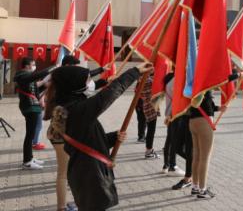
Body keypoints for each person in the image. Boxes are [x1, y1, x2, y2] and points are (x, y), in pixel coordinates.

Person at [46, 62, 153, 210]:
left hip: (87, 172)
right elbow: (107, 96)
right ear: (74, 85)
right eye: (87, 80)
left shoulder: (71, 106)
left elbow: (87, 138)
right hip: (90, 176)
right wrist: (134, 72)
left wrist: (112, 138)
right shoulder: (76, 110)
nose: (90, 84)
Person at [188, 70, 239, 199]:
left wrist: (218, 108)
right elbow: (222, 79)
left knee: (197, 156)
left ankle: (195, 186)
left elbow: (205, 103)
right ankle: (202, 190)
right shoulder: (204, 77)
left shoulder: (193, 79)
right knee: (205, 157)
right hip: (203, 122)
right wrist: (238, 75)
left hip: (193, 120)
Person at [14, 57, 55, 170]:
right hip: (29, 107)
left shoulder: (27, 76)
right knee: (29, 135)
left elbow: (35, 86)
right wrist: (53, 68)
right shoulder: (22, 75)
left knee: (31, 135)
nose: (34, 67)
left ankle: (30, 158)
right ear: (27, 66)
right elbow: (34, 76)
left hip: (33, 107)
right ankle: (27, 161)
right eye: (33, 64)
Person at [161, 73, 188, 179]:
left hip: (170, 113)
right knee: (174, 140)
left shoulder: (168, 80)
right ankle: (172, 166)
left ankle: (166, 165)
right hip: (176, 113)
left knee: (169, 140)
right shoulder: (175, 80)